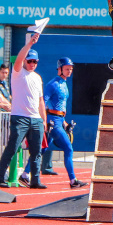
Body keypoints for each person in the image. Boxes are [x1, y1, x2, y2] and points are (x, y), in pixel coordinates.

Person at [0, 33, 47, 189]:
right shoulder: (17, 72)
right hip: (20, 117)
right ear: (24, 61)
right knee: (13, 147)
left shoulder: (37, 77)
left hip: (36, 119)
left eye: (35, 61)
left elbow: (41, 101)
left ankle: (35, 180)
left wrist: (44, 120)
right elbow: (19, 59)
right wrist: (30, 43)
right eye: (29, 61)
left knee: (36, 152)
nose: (32, 64)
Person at [28, 57, 87, 189]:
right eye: (67, 69)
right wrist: (46, 120)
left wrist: (65, 123)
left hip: (59, 120)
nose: (69, 71)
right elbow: (42, 102)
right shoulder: (53, 84)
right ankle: (73, 180)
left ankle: (25, 174)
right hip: (53, 122)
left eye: (71, 69)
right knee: (68, 148)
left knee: (41, 149)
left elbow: (59, 106)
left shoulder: (64, 83)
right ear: (59, 69)